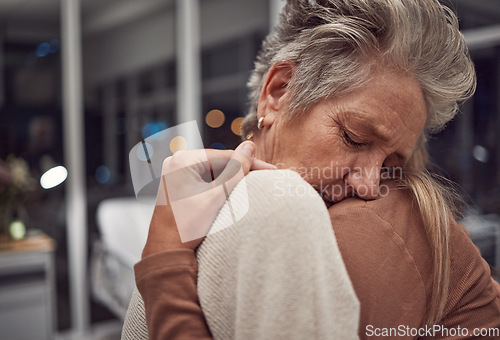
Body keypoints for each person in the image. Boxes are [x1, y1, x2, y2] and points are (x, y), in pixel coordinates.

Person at [123, 0, 500, 339]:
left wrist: (164, 257)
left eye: (390, 164)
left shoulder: (357, 220)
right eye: (354, 138)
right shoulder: (239, 212)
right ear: (279, 91)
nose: (371, 184)